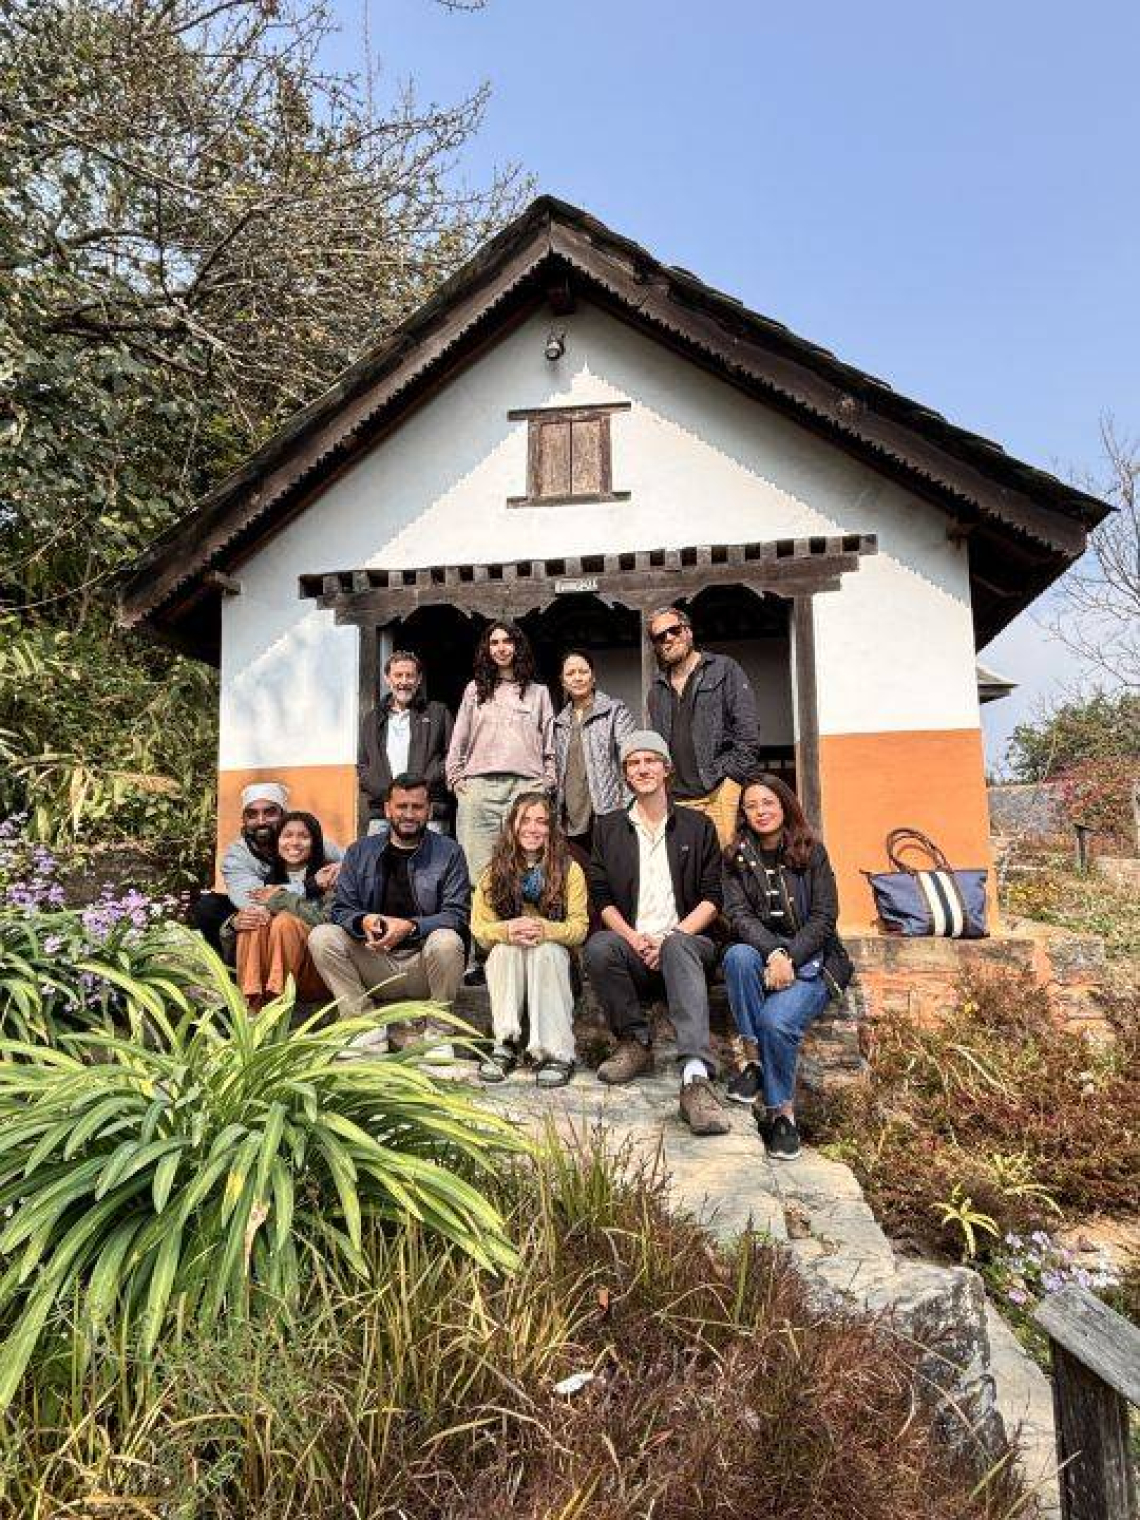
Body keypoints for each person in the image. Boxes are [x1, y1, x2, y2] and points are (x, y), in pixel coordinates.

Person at [583, 731, 730, 1137]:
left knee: (681, 945)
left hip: (687, 943)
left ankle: (695, 1077)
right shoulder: (608, 828)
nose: (643, 769)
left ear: (667, 769)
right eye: (634, 763)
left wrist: (670, 937)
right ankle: (634, 1043)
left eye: (651, 761)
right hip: (635, 945)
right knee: (598, 948)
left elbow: (712, 898)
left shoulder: (698, 826)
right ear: (626, 775)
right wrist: (633, 938)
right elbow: (602, 897)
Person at [721, 774, 852, 1160]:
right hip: (764, 955)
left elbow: (825, 917)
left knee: (776, 1022)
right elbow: (738, 916)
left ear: (784, 805)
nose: (761, 811)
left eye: (768, 803)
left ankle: (783, 1114)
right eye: (751, 806)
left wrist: (790, 956)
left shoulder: (812, 852)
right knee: (737, 956)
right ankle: (755, 1063)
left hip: (814, 958)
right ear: (743, 814)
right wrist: (773, 954)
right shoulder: (736, 857)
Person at [308, 773, 469, 1055]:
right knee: (322, 937)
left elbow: (457, 914)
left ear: (428, 811)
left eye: (417, 807)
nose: (409, 814)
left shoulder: (450, 852)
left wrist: (409, 926)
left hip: (425, 965)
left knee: (447, 940)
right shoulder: (360, 852)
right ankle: (364, 1026)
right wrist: (364, 921)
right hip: (374, 962)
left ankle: (438, 1032)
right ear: (387, 810)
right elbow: (341, 909)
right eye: (402, 806)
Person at [471, 791, 588, 1087]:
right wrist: (507, 931)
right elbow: (480, 931)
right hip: (511, 967)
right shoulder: (492, 874)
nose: (533, 829)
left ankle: (558, 1052)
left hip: (556, 966)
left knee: (545, 949)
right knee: (502, 950)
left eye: (541, 822)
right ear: (512, 825)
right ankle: (506, 1042)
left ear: (551, 829)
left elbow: (579, 928)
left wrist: (544, 928)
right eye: (525, 821)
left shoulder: (569, 870)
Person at [446, 618, 557, 895]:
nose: (501, 648)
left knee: (525, 868)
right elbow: (458, 738)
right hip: (479, 789)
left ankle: (522, 934)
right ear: (487, 649)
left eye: (507, 641)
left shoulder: (538, 692)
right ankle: (482, 938)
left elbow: (550, 745)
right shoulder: (475, 690)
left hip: (526, 787)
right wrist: (456, 778)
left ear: (518, 646)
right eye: (494, 642)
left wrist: (548, 782)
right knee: (478, 872)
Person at [645, 606, 761, 848]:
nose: (667, 639)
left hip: (719, 791)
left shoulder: (723, 669)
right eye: (659, 636)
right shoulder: (656, 689)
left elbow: (748, 731)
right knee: (687, 874)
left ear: (688, 632)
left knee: (724, 870)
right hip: (678, 799)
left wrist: (730, 778)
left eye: (673, 631)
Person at [192, 781, 341, 954]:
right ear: (244, 820)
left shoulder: (305, 843)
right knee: (210, 907)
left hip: (304, 911)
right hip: (258, 908)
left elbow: (351, 861)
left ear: (284, 815)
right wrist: (310, 885)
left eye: (269, 813)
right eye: (252, 814)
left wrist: (342, 867)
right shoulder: (237, 855)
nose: (261, 821)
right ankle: (230, 971)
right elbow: (252, 899)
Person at [228, 810, 334, 1008]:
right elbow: (230, 938)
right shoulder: (265, 880)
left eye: (303, 837)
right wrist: (234, 923)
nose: (294, 843)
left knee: (285, 922)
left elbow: (330, 925)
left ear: (316, 842)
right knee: (254, 921)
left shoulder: (330, 876)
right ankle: (250, 1003)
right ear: (277, 842)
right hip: (266, 975)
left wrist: (282, 899)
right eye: (287, 836)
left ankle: (276, 1001)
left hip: (314, 973)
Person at [358, 649, 454, 834]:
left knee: (431, 863)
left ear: (418, 679)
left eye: (409, 676)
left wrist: (424, 784)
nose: (403, 681)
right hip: (383, 813)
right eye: (398, 675)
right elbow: (363, 767)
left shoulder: (438, 713)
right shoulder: (372, 719)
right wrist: (387, 793)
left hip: (428, 812)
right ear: (388, 679)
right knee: (380, 862)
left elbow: (453, 757)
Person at [553, 649, 636, 852]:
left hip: (607, 813)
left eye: (583, 671)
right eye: (570, 673)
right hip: (570, 818)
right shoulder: (559, 722)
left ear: (593, 676)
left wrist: (627, 807)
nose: (578, 678)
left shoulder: (614, 711)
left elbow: (631, 758)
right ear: (563, 681)